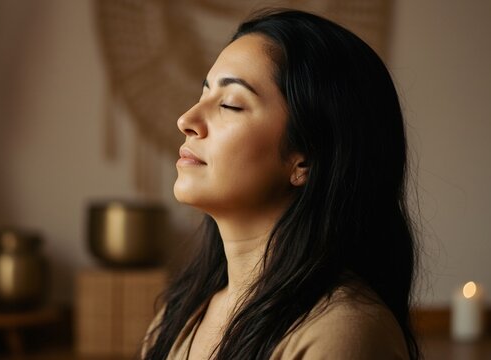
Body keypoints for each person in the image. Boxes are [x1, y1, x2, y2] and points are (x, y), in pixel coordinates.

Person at [143, 8, 419, 360]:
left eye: (229, 104)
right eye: (203, 95)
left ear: (305, 160)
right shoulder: (177, 316)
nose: (187, 120)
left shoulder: (342, 331)